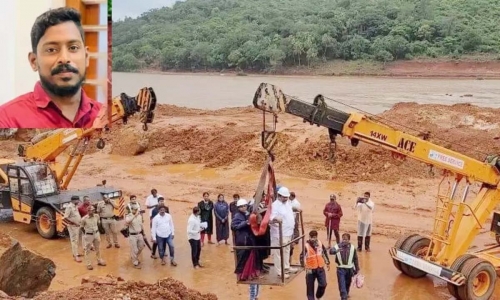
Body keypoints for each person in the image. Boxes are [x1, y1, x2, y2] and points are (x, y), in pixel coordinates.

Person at [0, 7, 103, 128]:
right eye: (51, 50)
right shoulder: (7, 120)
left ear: (86, 57)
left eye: (73, 48)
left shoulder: (106, 116)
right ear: (34, 61)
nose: (64, 58)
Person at [270, 186, 298, 279]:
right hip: (279, 234)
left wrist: (295, 209)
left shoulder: (287, 203)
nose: (286, 198)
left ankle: (286, 267)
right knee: (278, 253)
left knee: (286, 250)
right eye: (284, 197)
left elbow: (289, 211)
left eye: (287, 197)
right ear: (279, 195)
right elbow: (270, 218)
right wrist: (275, 218)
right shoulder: (275, 205)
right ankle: (279, 272)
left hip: (288, 232)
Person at [232, 199, 262, 281]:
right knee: (243, 258)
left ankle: (251, 274)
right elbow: (234, 226)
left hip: (249, 239)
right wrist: (245, 223)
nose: (243, 208)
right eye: (241, 206)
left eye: (244, 206)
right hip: (242, 240)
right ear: (238, 208)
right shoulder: (237, 216)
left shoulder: (248, 214)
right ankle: (243, 275)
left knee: (251, 256)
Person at [330, 233, 360, 300]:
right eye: (343, 239)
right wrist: (335, 251)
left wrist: (357, 269)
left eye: (346, 239)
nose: (344, 241)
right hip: (340, 269)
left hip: (350, 269)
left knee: (347, 284)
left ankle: (346, 294)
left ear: (349, 240)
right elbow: (331, 251)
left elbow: (355, 259)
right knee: (342, 284)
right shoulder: (338, 246)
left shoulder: (352, 248)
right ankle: (343, 297)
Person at [303, 230, 330, 300]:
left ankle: (318, 295)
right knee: (310, 288)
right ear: (309, 237)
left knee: (323, 284)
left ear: (317, 237)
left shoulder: (320, 243)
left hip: (320, 268)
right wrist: (304, 265)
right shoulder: (306, 246)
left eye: (315, 237)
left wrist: (327, 263)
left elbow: (324, 253)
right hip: (310, 269)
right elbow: (302, 257)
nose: (313, 239)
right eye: (312, 237)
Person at [80, 206, 106, 270]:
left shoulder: (96, 216)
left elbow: (98, 223)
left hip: (96, 234)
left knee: (98, 248)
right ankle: (88, 264)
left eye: (94, 210)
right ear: (88, 211)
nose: (93, 211)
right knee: (87, 250)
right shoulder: (84, 219)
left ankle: (99, 260)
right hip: (89, 235)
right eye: (92, 210)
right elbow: (82, 227)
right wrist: (86, 234)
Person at [63, 195, 82, 262]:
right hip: (73, 227)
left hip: (77, 226)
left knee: (77, 240)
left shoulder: (75, 206)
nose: (78, 202)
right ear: (73, 200)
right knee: (74, 241)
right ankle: (75, 256)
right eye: (77, 200)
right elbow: (65, 218)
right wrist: (74, 223)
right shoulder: (69, 207)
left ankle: (76, 253)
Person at [288, 192, 301, 264]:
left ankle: (296, 240)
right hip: (290, 217)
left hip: (295, 216)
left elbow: (297, 211)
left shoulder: (296, 203)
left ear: (292, 196)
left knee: (296, 228)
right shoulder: (289, 201)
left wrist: (296, 219)